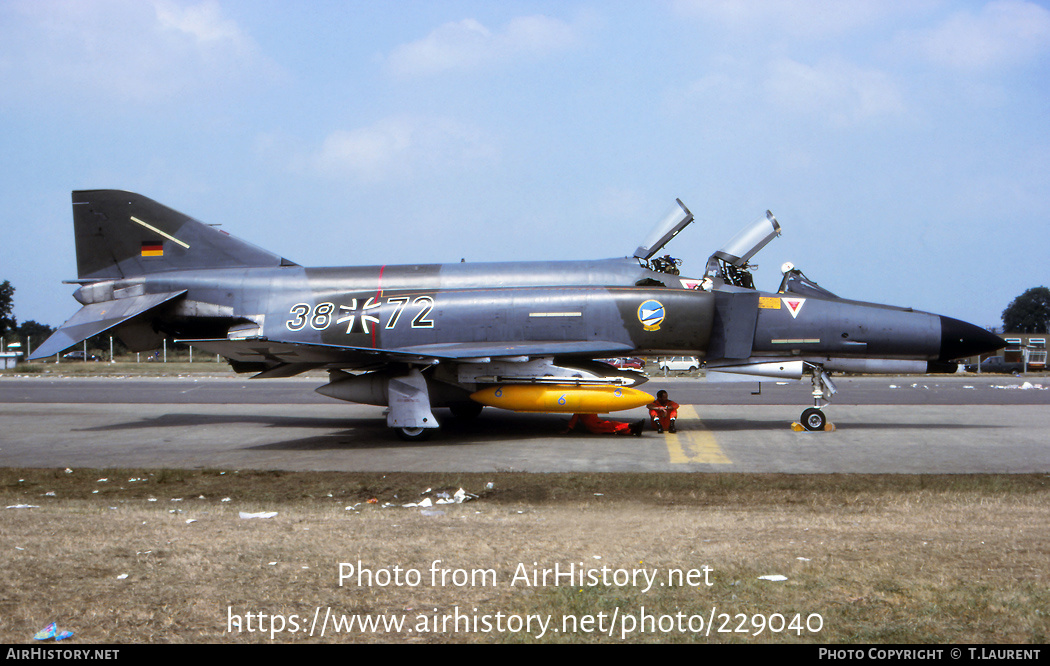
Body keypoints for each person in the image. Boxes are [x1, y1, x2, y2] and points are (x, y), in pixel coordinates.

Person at [563, 413, 644, 436]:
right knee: (613, 426)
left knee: (613, 428)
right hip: (595, 426)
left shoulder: (588, 408)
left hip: (596, 425)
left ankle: (633, 430)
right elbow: (573, 421)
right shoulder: (579, 411)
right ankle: (632, 426)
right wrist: (568, 430)